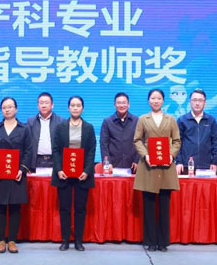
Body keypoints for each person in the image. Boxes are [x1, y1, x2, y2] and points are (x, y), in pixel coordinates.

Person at [133, 89, 181, 251]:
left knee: (164, 206)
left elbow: (177, 141)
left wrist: (171, 155)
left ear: (163, 100)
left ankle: (163, 242)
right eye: (153, 98)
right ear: (148, 100)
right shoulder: (142, 119)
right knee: (149, 205)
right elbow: (137, 140)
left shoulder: (171, 119)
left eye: (159, 98)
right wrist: (145, 155)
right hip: (148, 166)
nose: (156, 101)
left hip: (166, 166)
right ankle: (151, 241)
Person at [0, 97, 32, 253]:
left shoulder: (24, 129)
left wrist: (22, 169)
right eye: (4, 107)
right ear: (1, 110)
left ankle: (12, 240)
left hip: (17, 174)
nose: (7, 109)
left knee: (15, 207)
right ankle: (1, 241)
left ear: (16, 109)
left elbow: (29, 151)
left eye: (10, 107)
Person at [52, 96, 96, 251]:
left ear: (83, 108)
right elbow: (55, 150)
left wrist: (87, 171)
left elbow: (91, 151)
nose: (75, 108)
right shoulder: (60, 127)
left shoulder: (89, 127)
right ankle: (65, 240)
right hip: (64, 173)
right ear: (68, 108)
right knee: (64, 208)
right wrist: (59, 169)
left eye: (78, 105)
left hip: (82, 175)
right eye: (72, 105)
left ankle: (78, 240)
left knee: (80, 209)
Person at [176, 88, 217, 173]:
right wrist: (179, 162)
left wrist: (214, 162)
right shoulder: (182, 120)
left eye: (200, 100)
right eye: (194, 100)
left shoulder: (211, 120)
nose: (197, 103)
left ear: (205, 102)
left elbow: (216, 142)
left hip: (207, 166)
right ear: (190, 102)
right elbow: (177, 142)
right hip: (186, 165)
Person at [99, 92, 139, 172]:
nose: (121, 105)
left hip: (132, 165)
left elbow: (140, 141)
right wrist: (107, 162)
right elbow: (104, 144)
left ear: (128, 104)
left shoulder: (136, 121)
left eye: (124, 103)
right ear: (114, 105)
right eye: (119, 103)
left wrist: (137, 160)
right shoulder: (107, 121)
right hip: (113, 165)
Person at [26, 92, 64, 170]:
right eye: (41, 103)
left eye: (46, 103)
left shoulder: (61, 121)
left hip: (55, 161)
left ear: (52, 105)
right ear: (38, 105)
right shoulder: (31, 121)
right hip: (36, 161)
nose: (44, 105)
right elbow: (28, 145)